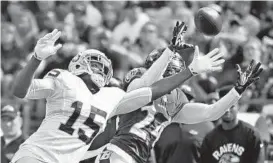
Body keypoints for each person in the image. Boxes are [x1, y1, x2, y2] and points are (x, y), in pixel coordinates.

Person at [10, 22, 201, 163]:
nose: (99, 71)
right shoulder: (65, 79)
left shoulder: (111, 97)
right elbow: (19, 91)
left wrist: (183, 65)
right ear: (77, 64)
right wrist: (36, 58)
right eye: (94, 64)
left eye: (103, 68)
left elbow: (151, 89)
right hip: (36, 155)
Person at [94, 20, 263, 162]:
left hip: (138, 156)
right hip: (119, 152)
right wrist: (170, 52)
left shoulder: (175, 99)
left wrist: (237, 91)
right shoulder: (140, 78)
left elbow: (210, 113)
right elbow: (144, 86)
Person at [200, 85, 265, 163]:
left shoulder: (251, 135)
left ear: (238, 106)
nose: (227, 110)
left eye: (231, 106)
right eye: (224, 106)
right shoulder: (210, 139)